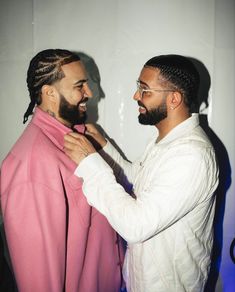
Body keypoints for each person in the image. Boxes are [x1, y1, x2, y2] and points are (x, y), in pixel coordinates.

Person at [64, 54, 219, 292]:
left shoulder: (192, 155)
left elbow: (135, 226)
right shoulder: (168, 143)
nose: (136, 96)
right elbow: (136, 179)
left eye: (144, 90)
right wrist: (104, 147)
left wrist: (90, 164)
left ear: (174, 99)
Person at [0, 49, 125, 292]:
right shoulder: (32, 165)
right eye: (80, 86)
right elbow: (38, 280)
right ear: (49, 93)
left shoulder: (79, 139)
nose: (89, 93)